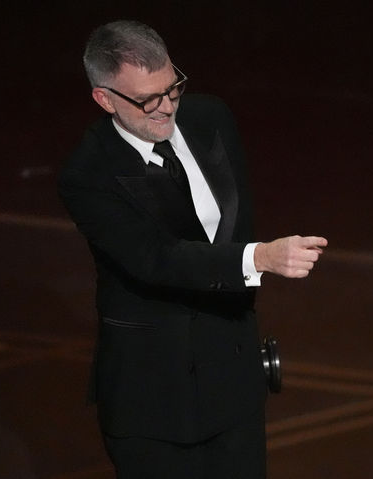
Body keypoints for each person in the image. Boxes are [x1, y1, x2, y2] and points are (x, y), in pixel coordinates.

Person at [58, 19, 327, 479]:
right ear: (105, 99)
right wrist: (259, 257)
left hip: (235, 382)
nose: (166, 107)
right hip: (154, 400)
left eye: (172, 88)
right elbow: (156, 258)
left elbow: (233, 218)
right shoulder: (88, 174)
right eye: (147, 99)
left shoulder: (210, 117)